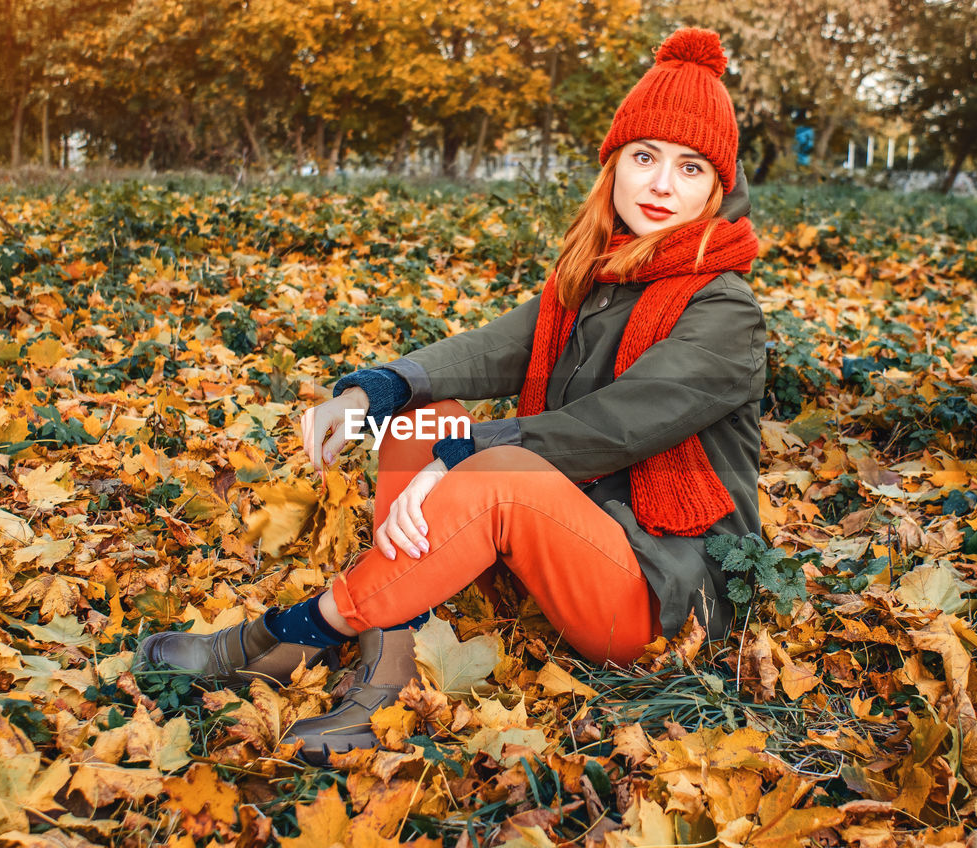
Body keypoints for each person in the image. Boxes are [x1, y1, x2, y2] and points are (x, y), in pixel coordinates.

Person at [135, 26, 765, 765]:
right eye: (646, 157)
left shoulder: (725, 312)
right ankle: (388, 667)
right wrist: (379, 388)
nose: (661, 185)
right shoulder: (597, 278)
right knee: (421, 419)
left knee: (496, 468)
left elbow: (617, 425)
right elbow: (497, 347)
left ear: (717, 190)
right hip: (585, 535)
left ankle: (293, 632)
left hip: (664, 590)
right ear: (615, 166)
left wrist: (465, 458)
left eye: (689, 169)